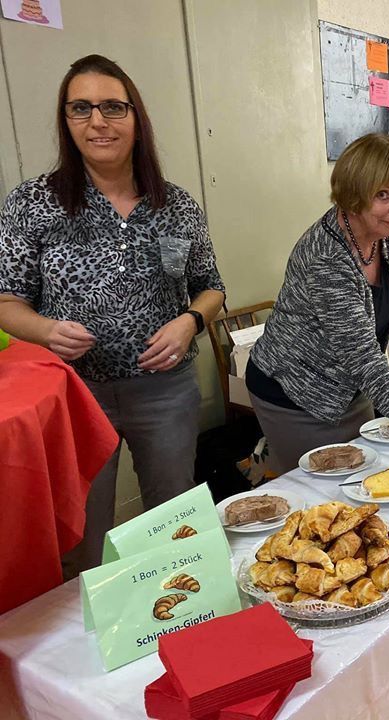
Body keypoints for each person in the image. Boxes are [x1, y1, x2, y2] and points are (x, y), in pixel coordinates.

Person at [0, 54, 226, 575]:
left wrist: (189, 320)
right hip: (74, 394)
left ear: (135, 118)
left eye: (112, 107)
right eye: (81, 108)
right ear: (66, 120)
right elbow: (6, 300)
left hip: (165, 392)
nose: (97, 122)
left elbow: (211, 288)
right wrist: (46, 330)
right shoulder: (35, 203)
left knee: (174, 522)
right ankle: (91, 644)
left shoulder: (177, 205)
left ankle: (177, 625)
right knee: (83, 534)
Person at [246, 133, 389, 478]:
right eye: (383, 195)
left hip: (347, 385)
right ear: (353, 194)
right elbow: (362, 357)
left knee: (363, 478)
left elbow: (370, 296)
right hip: (296, 393)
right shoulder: (326, 256)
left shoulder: (377, 233)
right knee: (323, 495)